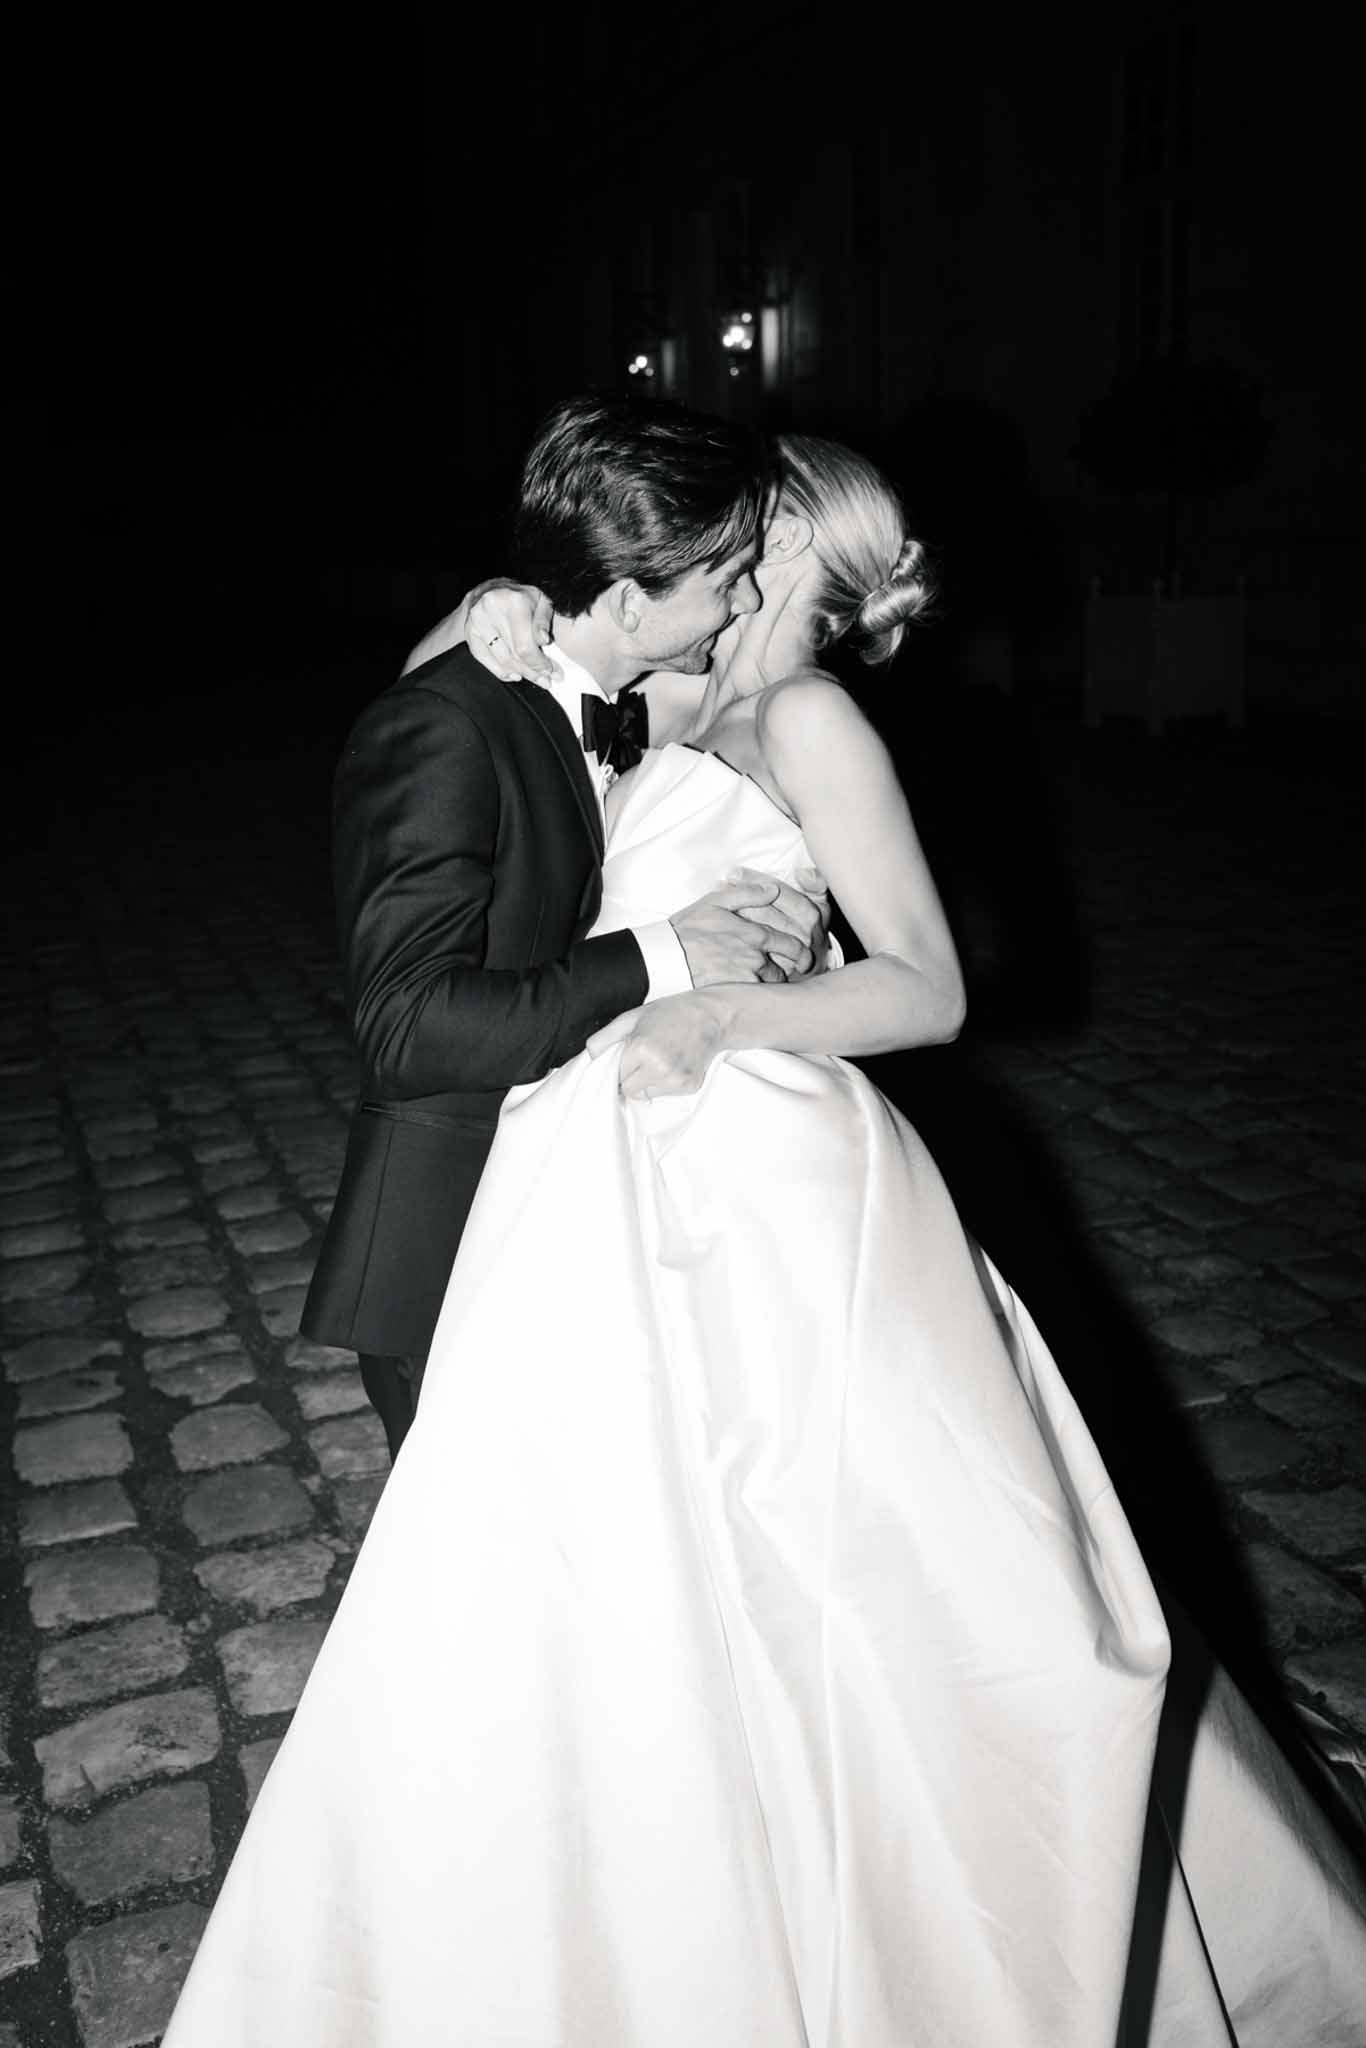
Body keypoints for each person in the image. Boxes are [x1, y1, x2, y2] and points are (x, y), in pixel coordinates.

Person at [165, 437, 1366, 2046]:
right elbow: (452, 752)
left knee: (850, 1567)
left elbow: (927, 987)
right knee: (615, 1559)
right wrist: (487, 611)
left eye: (742, 541)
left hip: (764, 1170)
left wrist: (724, 1011)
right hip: (592, 1166)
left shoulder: (806, 716)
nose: (721, 570)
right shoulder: (665, 700)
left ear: (781, 549)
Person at [298, 395, 828, 1459]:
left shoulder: (642, 700)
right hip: (452, 1251)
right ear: (630, 600)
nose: (737, 610)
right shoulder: (449, 721)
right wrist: (673, 949)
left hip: (582, 1223)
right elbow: (409, 1026)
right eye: (723, 584)